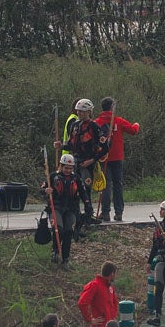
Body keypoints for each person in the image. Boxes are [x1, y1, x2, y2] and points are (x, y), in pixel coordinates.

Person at [95, 98, 141, 223]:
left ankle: (105, 212)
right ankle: (119, 212)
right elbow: (133, 130)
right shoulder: (118, 120)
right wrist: (137, 124)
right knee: (118, 185)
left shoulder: (97, 122)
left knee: (105, 185)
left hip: (103, 157)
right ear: (112, 107)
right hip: (117, 157)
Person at [64, 98, 107, 231]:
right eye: (78, 111)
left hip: (88, 163)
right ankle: (75, 215)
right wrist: (61, 146)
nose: (80, 114)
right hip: (75, 162)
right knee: (73, 189)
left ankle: (88, 216)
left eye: (83, 111)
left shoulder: (94, 127)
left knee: (85, 189)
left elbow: (104, 147)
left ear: (89, 112)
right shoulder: (75, 125)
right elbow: (71, 144)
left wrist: (93, 160)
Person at [43, 153, 81, 264]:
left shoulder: (76, 178)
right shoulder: (53, 176)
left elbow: (83, 194)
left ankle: (65, 258)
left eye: (70, 168)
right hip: (56, 207)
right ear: (61, 166)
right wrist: (46, 191)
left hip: (70, 209)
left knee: (69, 231)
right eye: (66, 168)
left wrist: (87, 206)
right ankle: (55, 251)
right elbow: (42, 189)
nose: (68, 170)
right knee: (58, 229)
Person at [77, 262, 120, 327]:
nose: (115, 276)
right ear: (112, 274)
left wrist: (113, 318)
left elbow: (115, 303)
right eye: (115, 274)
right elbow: (82, 302)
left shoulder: (110, 287)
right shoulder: (95, 285)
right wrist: (90, 320)